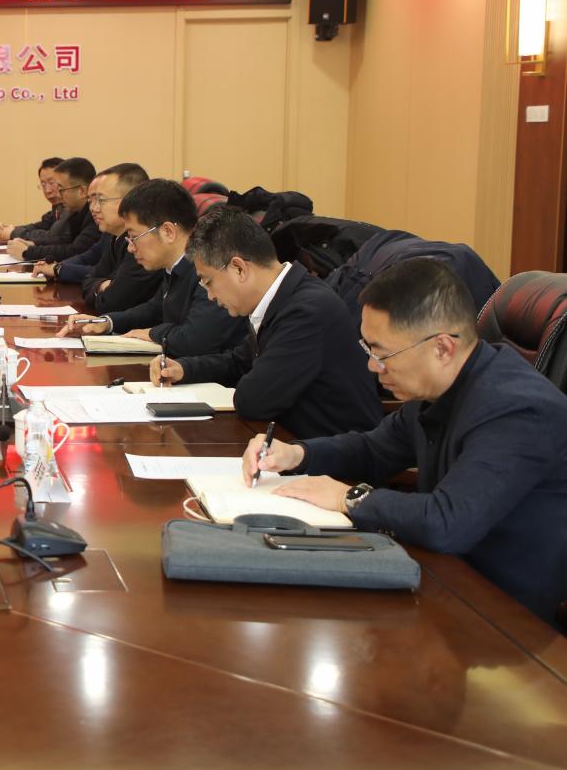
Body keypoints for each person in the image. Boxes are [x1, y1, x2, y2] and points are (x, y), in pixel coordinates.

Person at [243, 258, 567, 630]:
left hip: (502, 619)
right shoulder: (438, 387)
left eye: (382, 354)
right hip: (438, 574)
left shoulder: (518, 410)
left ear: (442, 348)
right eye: (369, 350)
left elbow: (447, 521)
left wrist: (349, 498)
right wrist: (296, 454)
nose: (373, 367)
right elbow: (373, 449)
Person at [151, 206, 383, 438]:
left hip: (333, 452)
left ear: (239, 268)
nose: (210, 296)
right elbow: (240, 361)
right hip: (293, 441)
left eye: (208, 282)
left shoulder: (307, 311)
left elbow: (253, 400)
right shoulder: (283, 297)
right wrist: (184, 369)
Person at [57, 178, 247, 357]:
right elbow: (154, 310)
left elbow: (195, 339)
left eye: (134, 237)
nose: (130, 248)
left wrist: (151, 333)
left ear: (168, 232)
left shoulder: (210, 267)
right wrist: (107, 322)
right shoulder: (173, 265)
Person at [31, 163, 160, 314]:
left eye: (101, 200)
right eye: (91, 200)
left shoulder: (143, 243)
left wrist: (101, 285)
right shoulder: (113, 235)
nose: (93, 208)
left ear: (129, 200)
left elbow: (111, 302)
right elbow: (89, 279)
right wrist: (102, 285)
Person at [7, 157, 101, 263]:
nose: (58, 194)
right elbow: (64, 243)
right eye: (43, 185)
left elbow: (75, 251)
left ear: (82, 191)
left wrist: (28, 252)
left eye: (61, 189)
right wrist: (33, 244)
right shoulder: (75, 211)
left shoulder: (96, 214)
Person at [0, 157, 64, 244]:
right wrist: (8, 230)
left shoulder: (72, 210)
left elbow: (52, 237)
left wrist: (13, 233)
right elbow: (40, 226)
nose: (48, 190)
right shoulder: (57, 209)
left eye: (51, 183)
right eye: (43, 184)